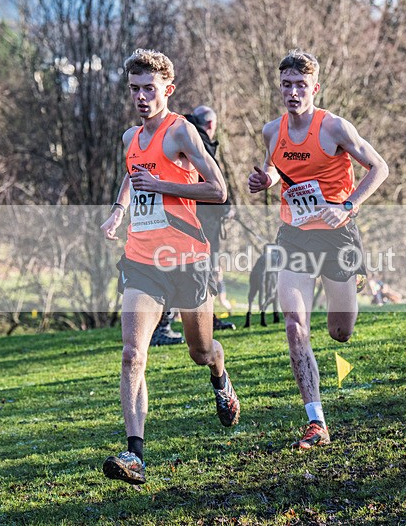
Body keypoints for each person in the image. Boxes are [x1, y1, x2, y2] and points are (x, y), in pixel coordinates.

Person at [99, 48, 240, 484]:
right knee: (132, 354)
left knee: (200, 351)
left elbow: (218, 190)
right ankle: (135, 454)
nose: (141, 97)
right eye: (134, 89)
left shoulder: (182, 133)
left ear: (168, 89)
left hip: (187, 260)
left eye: (149, 89)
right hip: (142, 260)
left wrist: (162, 185)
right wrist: (119, 211)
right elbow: (132, 175)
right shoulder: (130, 137)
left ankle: (220, 374)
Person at [248, 50, 389, 449]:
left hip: (338, 235)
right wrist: (266, 180)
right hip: (294, 235)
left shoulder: (335, 127)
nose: (293, 92)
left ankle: (351, 283)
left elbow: (380, 168)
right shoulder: (271, 131)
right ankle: (316, 421)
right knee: (295, 324)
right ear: (279, 87)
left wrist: (348, 205)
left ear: (315, 88)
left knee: (340, 332)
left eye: (301, 85)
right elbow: (275, 167)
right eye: (287, 85)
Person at [185, 105, 237, 329]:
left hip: (185, 214)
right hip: (204, 217)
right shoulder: (201, 142)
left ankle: (199, 320)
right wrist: (227, 207)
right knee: (206, 267)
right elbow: (213, 182)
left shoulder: (182, 134)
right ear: (211, 124)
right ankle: (207, 321)